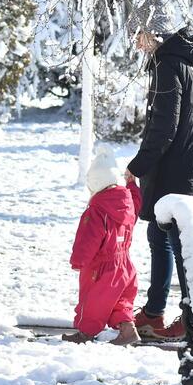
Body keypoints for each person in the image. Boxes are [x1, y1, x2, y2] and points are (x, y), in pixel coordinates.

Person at [124, 0, 193, 341]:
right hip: (192, 164)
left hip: (173, 169)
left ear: (155, 33)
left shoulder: (167, 64)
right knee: (159, 236)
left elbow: (164, 126)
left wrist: (137, 166)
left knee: (178, 243)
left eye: (140, 32)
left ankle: (192, 315)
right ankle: (154, 311)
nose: (136, 41)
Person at [62, 145, 143, 346]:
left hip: (101, 268)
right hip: (125, 266)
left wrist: (79, 260)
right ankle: (127, 330)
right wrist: (132, 184)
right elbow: (137, 201)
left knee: (92, 303)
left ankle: (85, 333)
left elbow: (88, 238)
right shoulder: (127, 203)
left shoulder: (96, 210)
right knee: (120, 301)